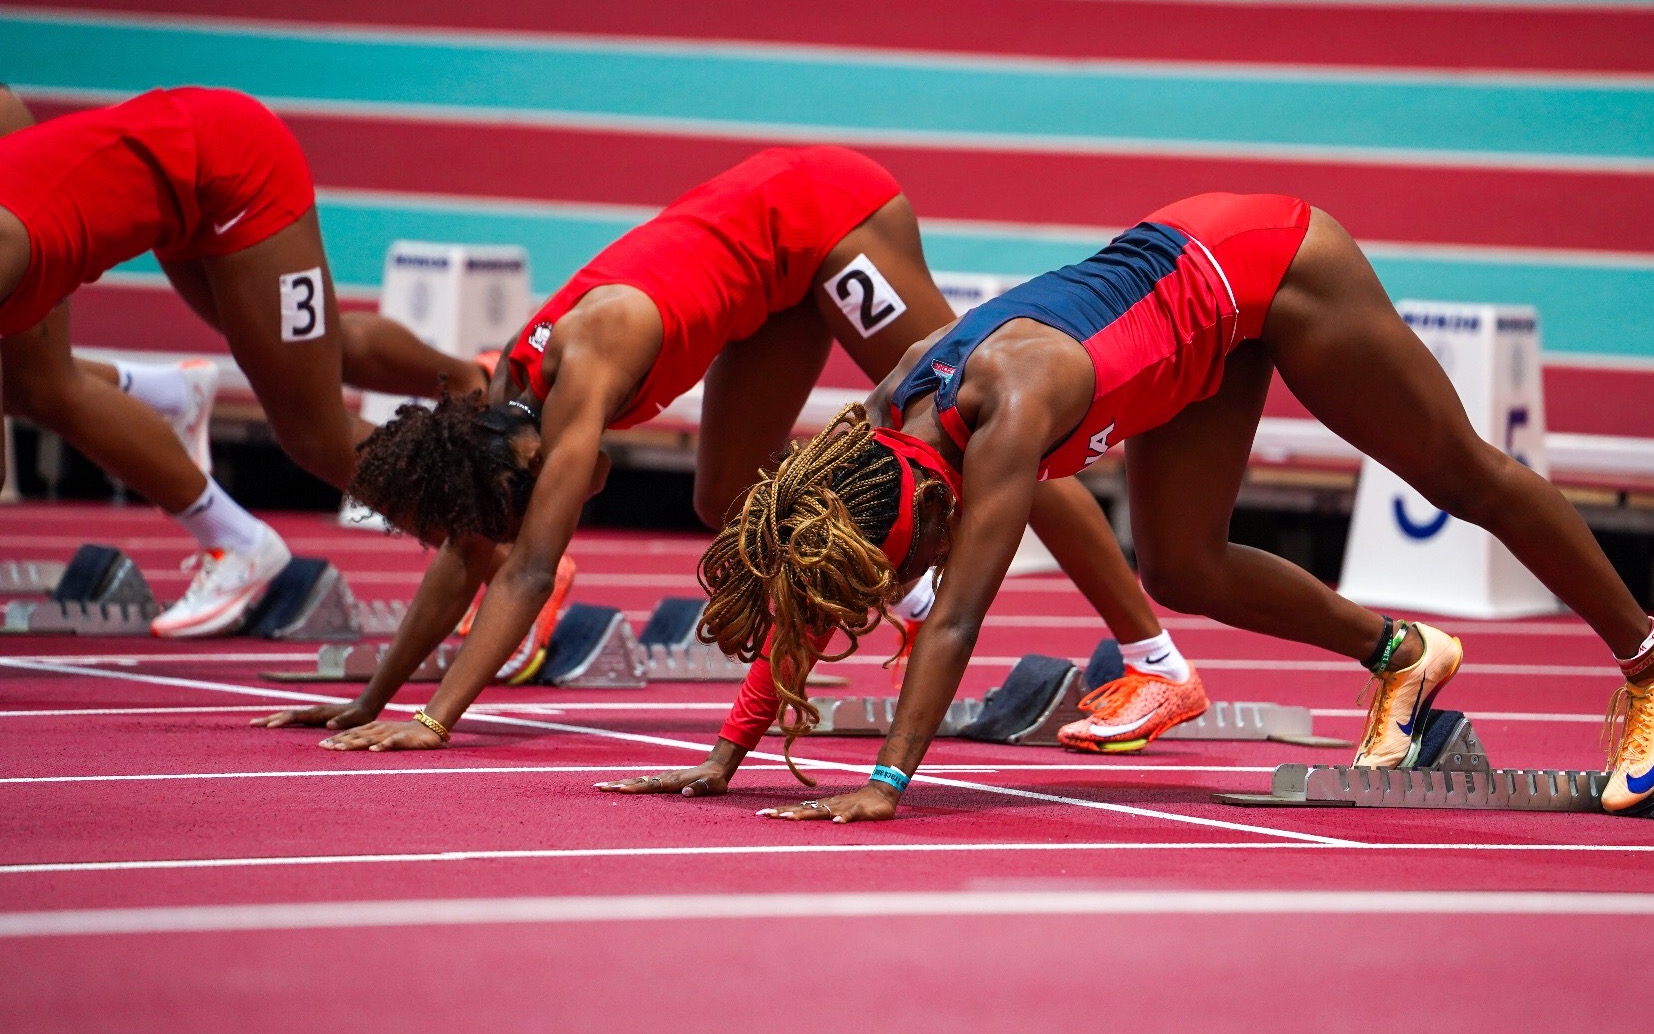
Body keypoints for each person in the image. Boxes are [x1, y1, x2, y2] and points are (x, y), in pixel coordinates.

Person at [637, 190, 1654, 822]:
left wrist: (884, 779)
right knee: (1183, 565)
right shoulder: (885, 421)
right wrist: (728, 750)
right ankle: (1399, 651)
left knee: (1460, 475)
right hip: (1188, 316)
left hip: (1270, 268)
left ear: (917, 500)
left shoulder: (1009, 414)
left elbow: (960, 616)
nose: (891, 586)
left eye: (891, 564)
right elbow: (815, 575)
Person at [258, 145, 1206, 752]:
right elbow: (475, 556)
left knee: (980, 430)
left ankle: (1156, 663)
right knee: (731, 507)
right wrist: (369, 698)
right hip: (769, 276)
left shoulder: (586, 368)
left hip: (828, 218)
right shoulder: (499, 419)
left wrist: (432, 719)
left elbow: (523, 569)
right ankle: (912, 596)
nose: (571, 502)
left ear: (530, 463)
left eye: (547, 497)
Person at [0, 85, 487, 636]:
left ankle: (495, 554)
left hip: (232, 167)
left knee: (314, 431)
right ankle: (478, 376)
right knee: (314, 354)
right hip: (183, 185)